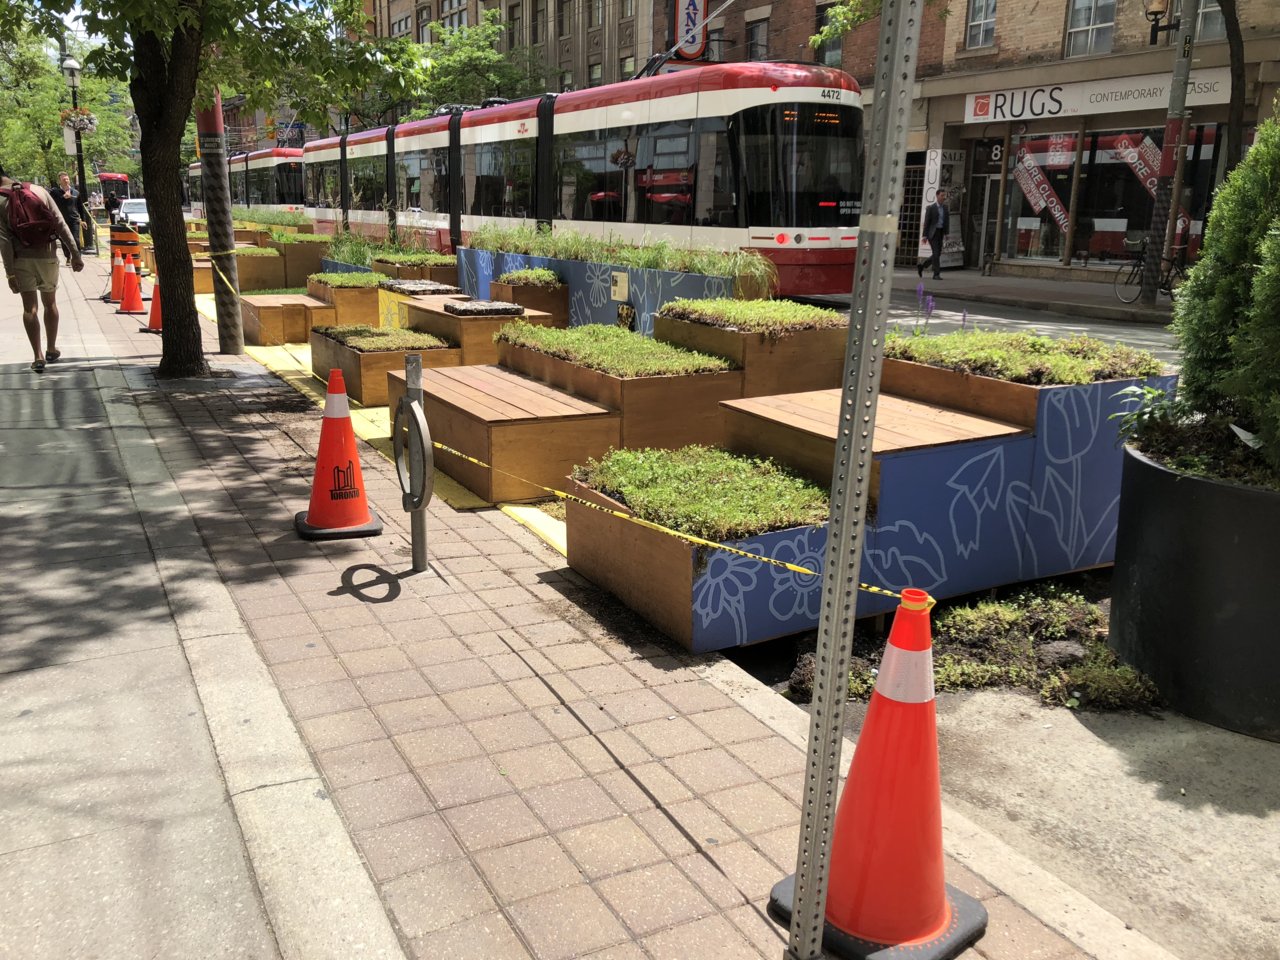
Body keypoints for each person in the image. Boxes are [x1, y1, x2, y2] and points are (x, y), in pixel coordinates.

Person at [0, 161, 84, 372]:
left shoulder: (1, 200)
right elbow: (60, 223)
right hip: (47, 255)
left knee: (30, 308)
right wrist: (75, 254)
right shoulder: (38, 190)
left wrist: (10, 274)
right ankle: (52, 348)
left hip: (21, 259)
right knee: (50, 303)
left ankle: (38, 356)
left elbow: (4, 241)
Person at [918, 188, 950, 281]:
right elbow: (927, 222)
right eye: (942, 195)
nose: (943, 197)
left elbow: (946, 221)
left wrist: (947, 233)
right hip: (933, 233)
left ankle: (922, 265)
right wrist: (924, 236)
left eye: (944, 196)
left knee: (938, 253)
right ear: (937, 196)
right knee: (936, 253)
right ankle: (936, 274)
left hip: (941, 232)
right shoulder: (931, 208)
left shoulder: (945, 208)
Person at [52, 172, 82, 264]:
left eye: (67, 179)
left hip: (74, 219)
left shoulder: (76, 192)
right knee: (64, 240)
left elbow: (80, 207)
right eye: (63, 179)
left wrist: (83, 220)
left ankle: (77, 258)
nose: (66, 181)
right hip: (62, 220)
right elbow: (52, 204)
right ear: (59, 181)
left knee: (76, 239)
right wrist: (63, 197)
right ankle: (68, 257)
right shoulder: (55, 192)